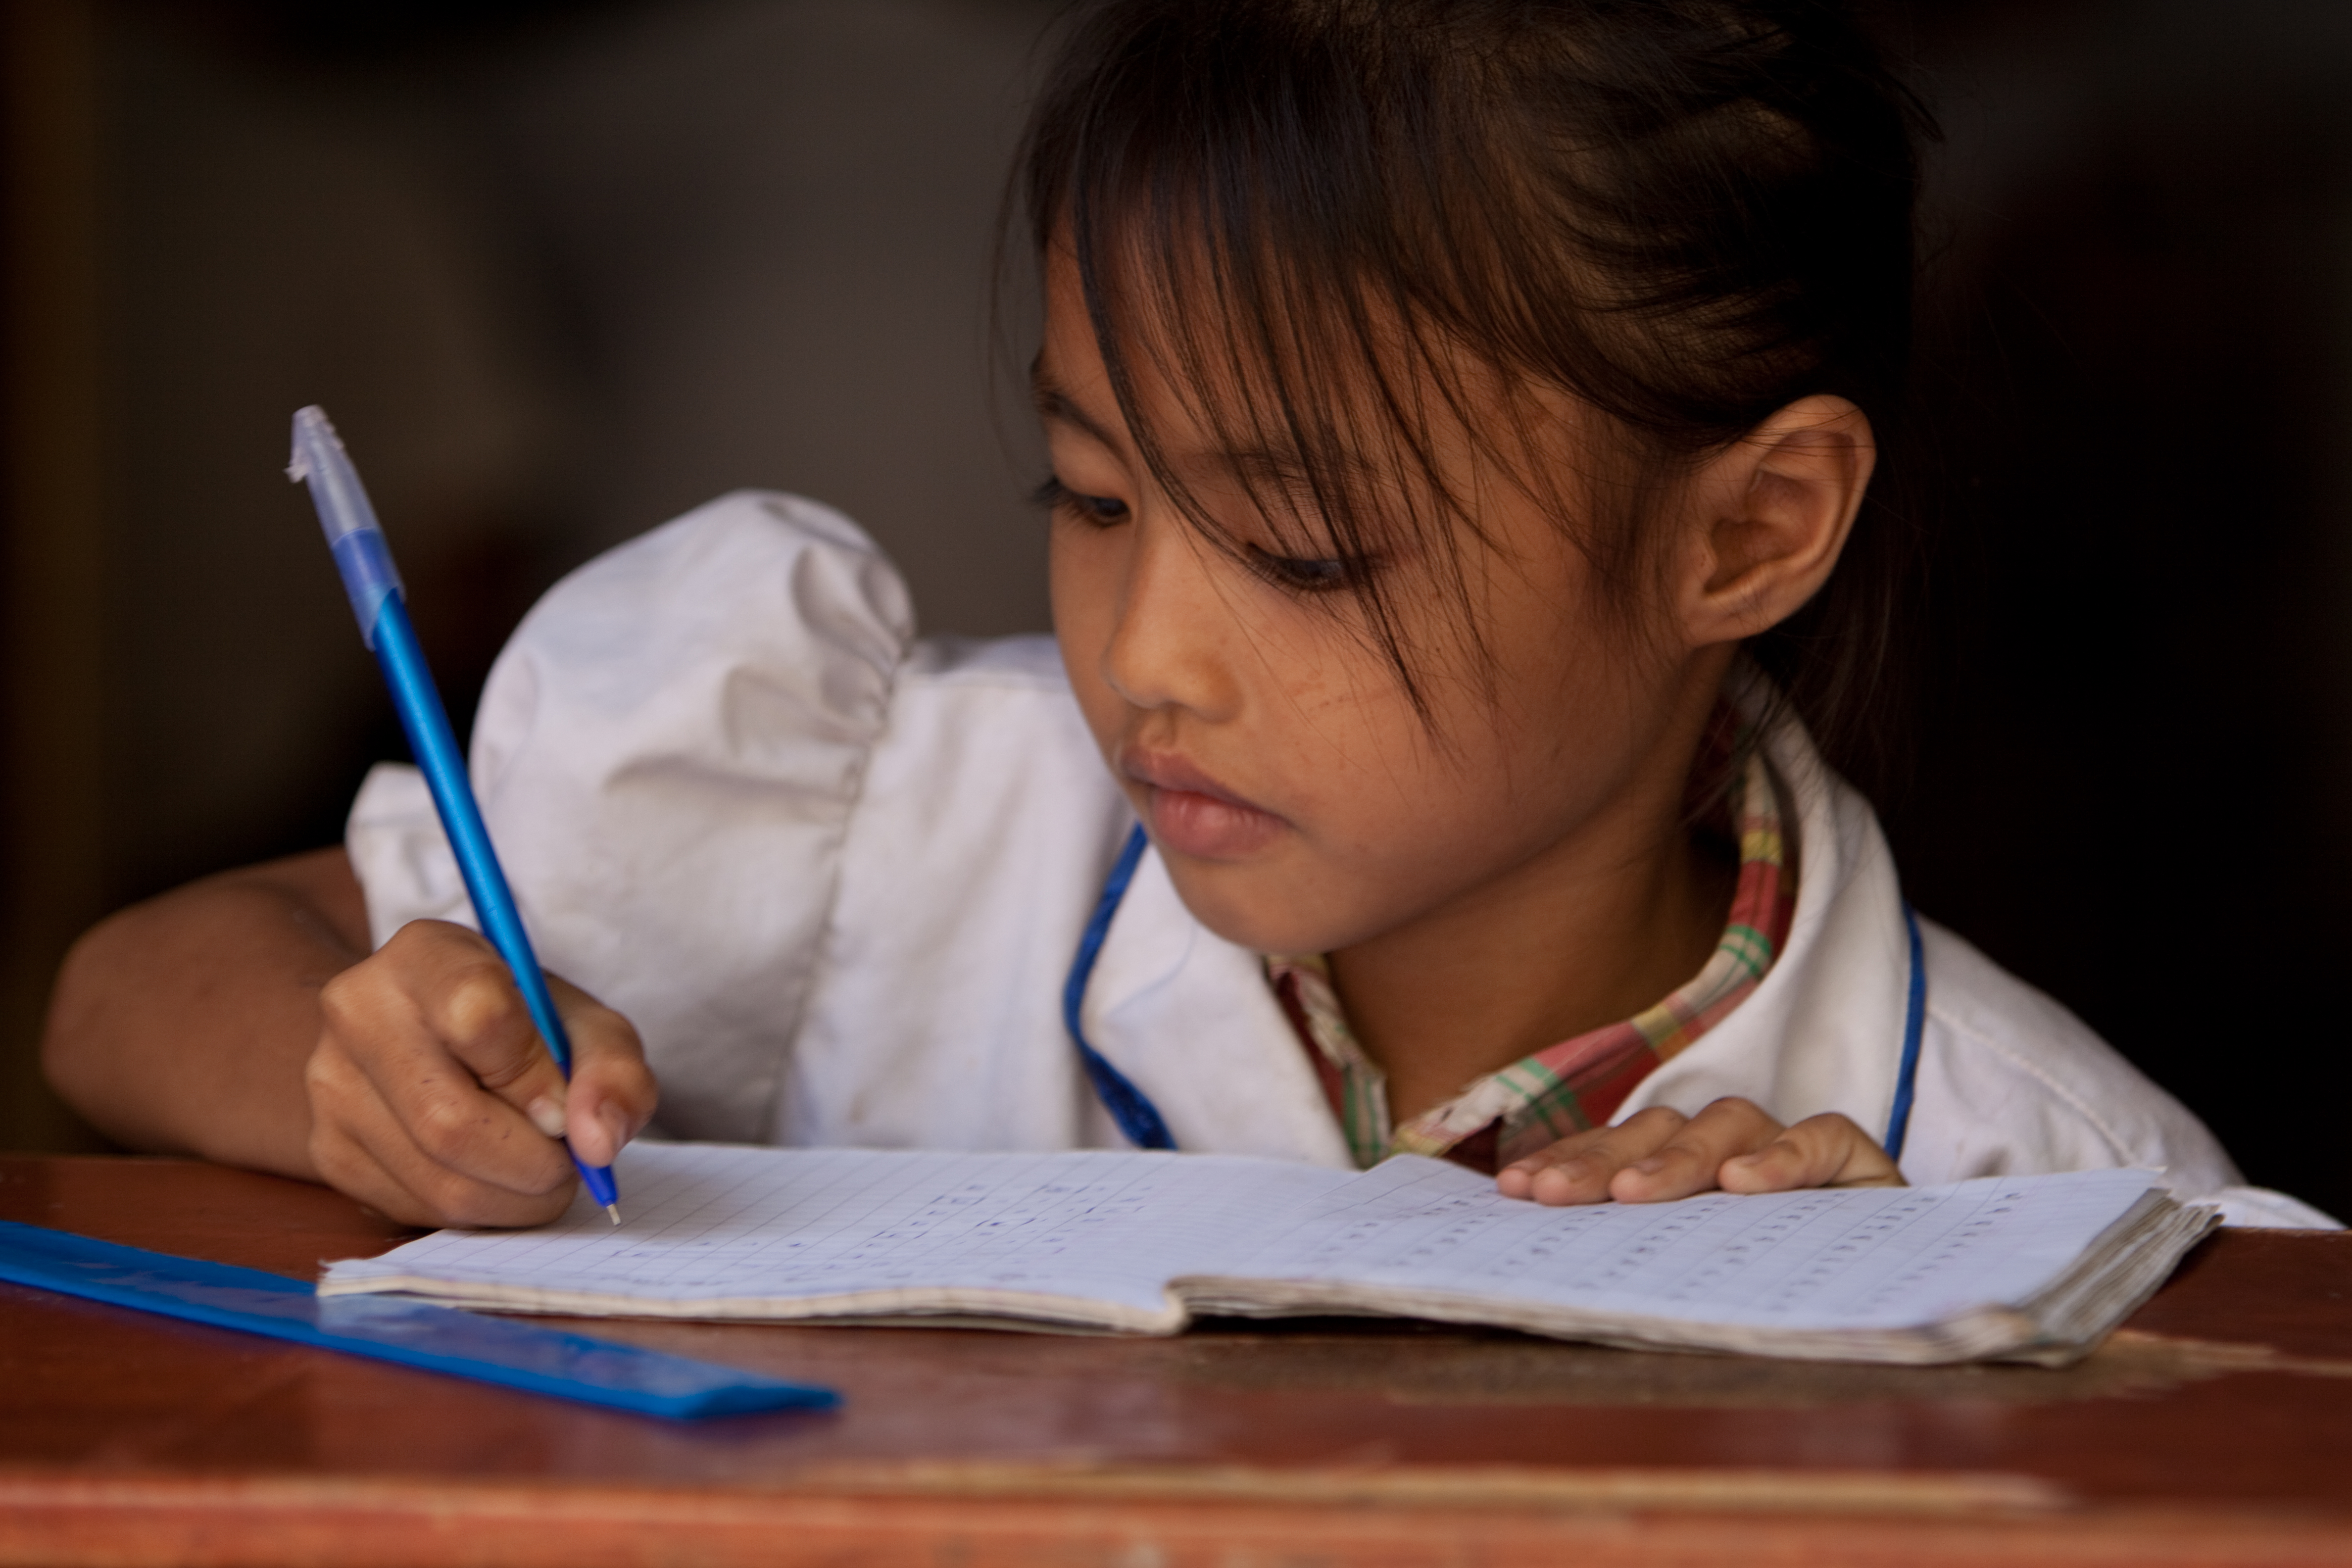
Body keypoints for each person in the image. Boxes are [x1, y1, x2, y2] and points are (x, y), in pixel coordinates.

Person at [41, 0, 2333, 1231]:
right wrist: (370, 1082)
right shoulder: (876, 820)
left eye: (1311, 547)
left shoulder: (2048, 1188)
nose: (1149, 653)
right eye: (1098, 493)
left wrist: (1910, 1323)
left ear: (1744, 536)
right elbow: (124, 995)